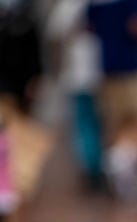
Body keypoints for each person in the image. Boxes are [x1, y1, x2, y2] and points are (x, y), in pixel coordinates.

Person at [86, 0, 137, 200]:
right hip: (134, 67)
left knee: (118, 125)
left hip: (107, 66)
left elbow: (89, 26)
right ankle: (120, 158)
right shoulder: (132, 2)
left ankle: (124, 182)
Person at [46, 0, 104, 188]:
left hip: (99, 73)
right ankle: (93, 168)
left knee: (91, 122)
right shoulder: (73, 5)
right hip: (84, 74)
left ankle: (97, 167)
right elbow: (56, 32)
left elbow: (55, 32)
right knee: (87, 122)